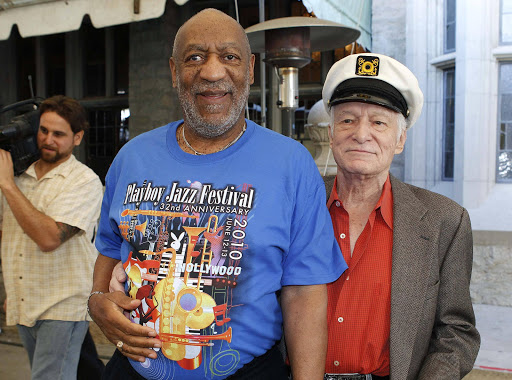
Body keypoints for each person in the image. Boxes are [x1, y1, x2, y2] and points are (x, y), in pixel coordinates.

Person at [87, 8, 347, 380]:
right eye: (195, 57)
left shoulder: (291, 164)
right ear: (175, 71)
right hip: (131, 370)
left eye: (229, 57)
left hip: (247, 371)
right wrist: (97, 301)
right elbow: (110, 249)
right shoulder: (132, 158)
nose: (212, 72)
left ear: (250, 69)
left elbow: (304, 293)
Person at [321, 53, 480, 380]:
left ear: (400, 139)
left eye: (379, 122)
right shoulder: (296, 204)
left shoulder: (445, 221)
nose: (362, 134)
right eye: (348, 119)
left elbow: (457, 330)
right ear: (331, 133)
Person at [0, 95, 104, 379]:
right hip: (26, 300)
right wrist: (14, 288)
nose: (48, 139)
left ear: (77, 138)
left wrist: (7, 185)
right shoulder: (20, 176)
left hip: (62, 303)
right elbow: (6, 233)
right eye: (43, 131)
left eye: (59, 134)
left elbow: (49, 239)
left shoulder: (83, 181)